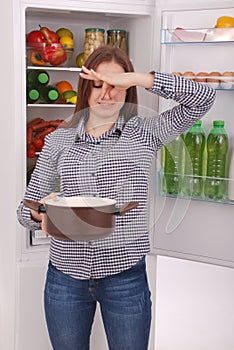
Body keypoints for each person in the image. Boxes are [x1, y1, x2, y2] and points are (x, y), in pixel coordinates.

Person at [17, 45, 216, 350]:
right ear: (85, 89)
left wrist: (140, 77)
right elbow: (25, 209)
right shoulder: (59, 138)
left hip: (125, 278)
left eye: (116, 86)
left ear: (128, 89)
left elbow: (203, 98)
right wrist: (42, 214)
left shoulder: (146, 131)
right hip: (65, 277)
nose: (106, 95)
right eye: (98, 85)